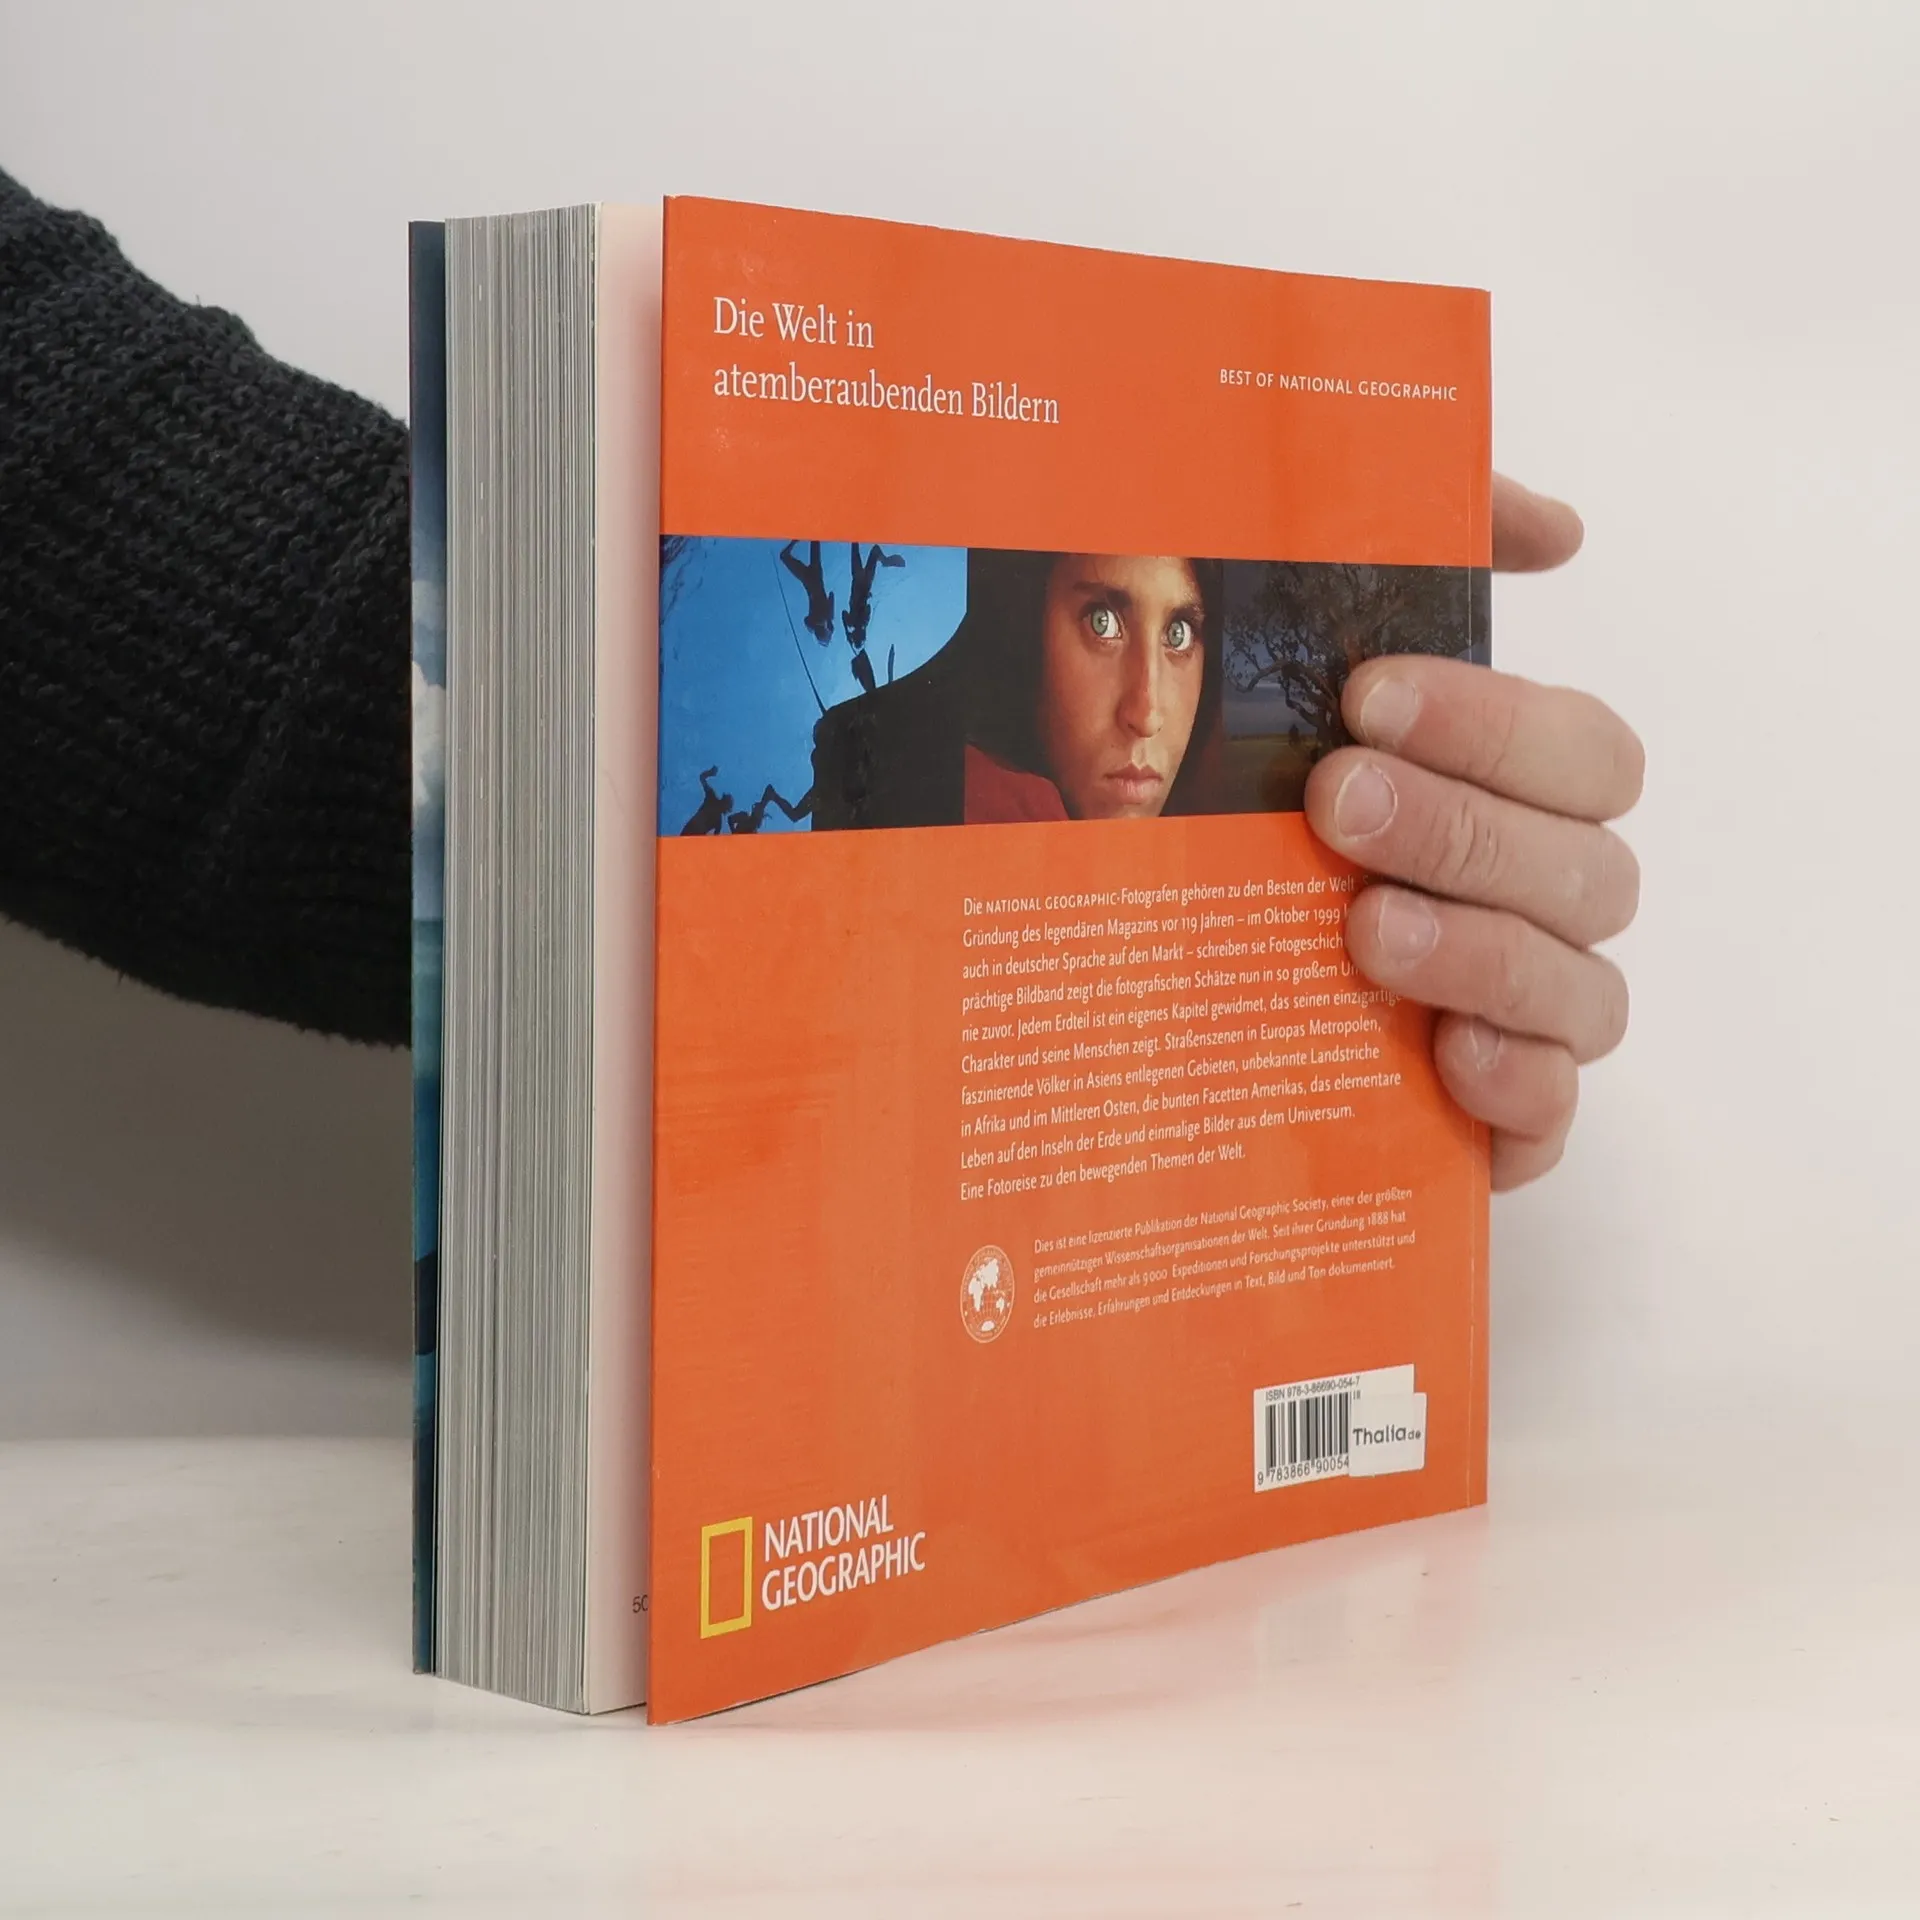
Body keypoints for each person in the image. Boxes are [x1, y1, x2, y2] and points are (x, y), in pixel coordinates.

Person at [0, 167, 1638, 1190]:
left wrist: (1336, 1063)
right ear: (1012, 631)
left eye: (1183, 631)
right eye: (1099, 620)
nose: (1150, 701)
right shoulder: (883, 778)